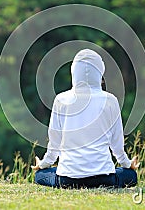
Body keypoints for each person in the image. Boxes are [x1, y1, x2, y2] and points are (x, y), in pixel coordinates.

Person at [32, 49, 139, 188]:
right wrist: (127, 164)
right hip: (104, 178)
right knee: (131, 176)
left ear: (74, 73)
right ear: (100, 73)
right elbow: (117, 146)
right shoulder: (111, 100)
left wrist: (42, 164)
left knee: (40, 175)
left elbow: (54, 146)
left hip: (68, 180)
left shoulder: (61, 100)